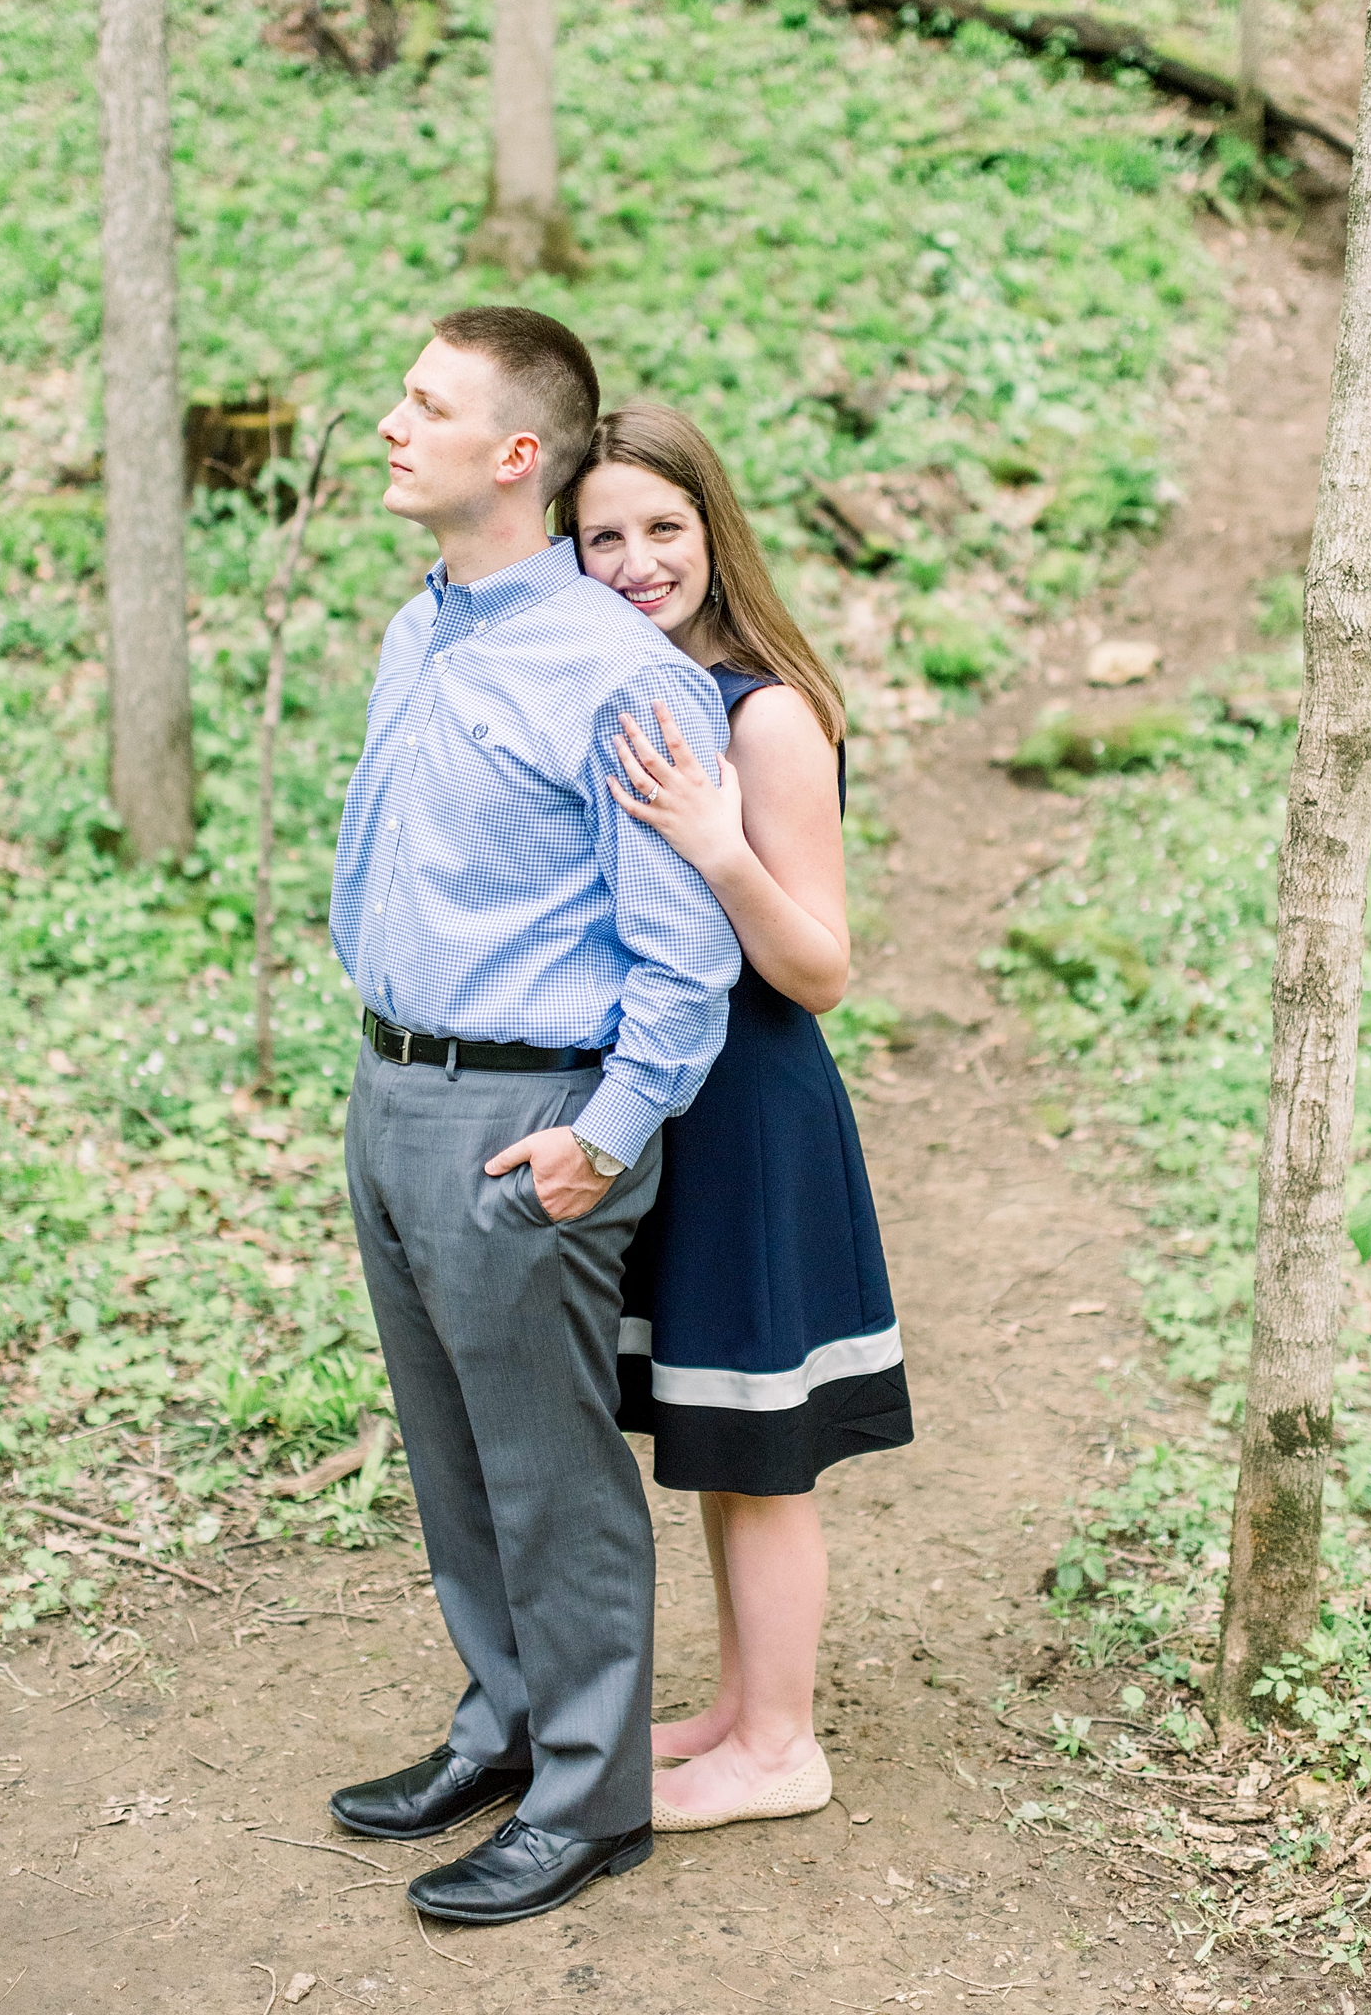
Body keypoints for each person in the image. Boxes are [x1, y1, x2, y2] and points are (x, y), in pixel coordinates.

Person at [327, 313, 741, 1925]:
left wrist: (607, 1129)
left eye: (422, 405)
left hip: (527, 1120)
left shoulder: (619, 676)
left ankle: (586, 1796)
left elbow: (681, 950)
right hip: (393, 1091)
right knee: (449, 1448)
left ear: (516, 456)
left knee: (552, 1470)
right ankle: (500, 1722)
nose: (387, 422)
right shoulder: (413, 631)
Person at [553, 401, 913, 1833]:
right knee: (710, 1433)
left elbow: (819, 966)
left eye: (663, 530)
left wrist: (715, 846)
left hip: (755, 1113)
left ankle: (781, 1749)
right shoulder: (636, 686)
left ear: (715, 534)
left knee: (760, 1452)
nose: (636, 561)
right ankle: (735, 1705)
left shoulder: (762, 708)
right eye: (602, 538)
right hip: (668, 1106)